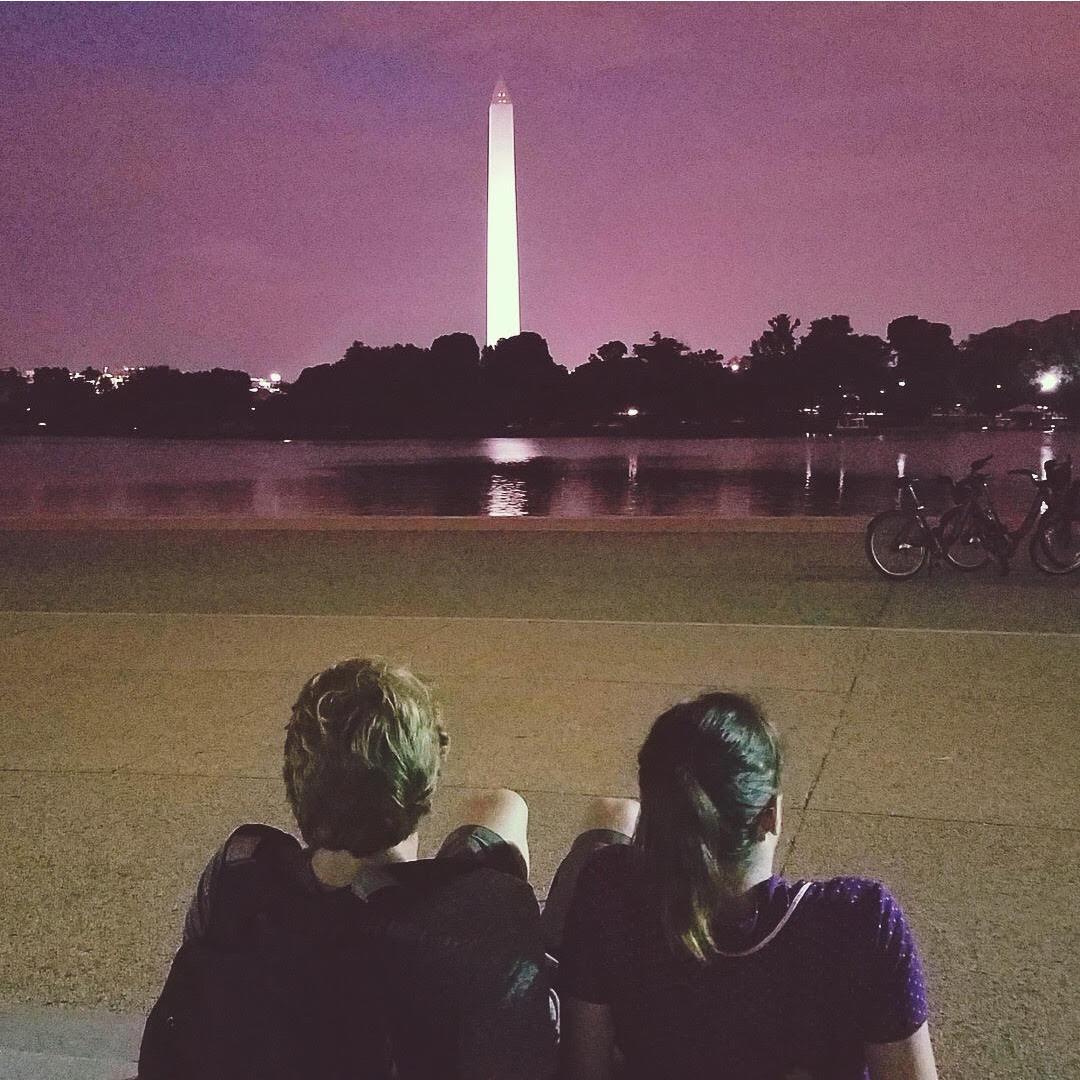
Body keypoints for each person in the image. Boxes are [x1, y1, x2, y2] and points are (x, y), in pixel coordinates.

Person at [145, 657, 556, 1080]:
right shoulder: (487, 902)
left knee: (501, 813)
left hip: (294, 1005)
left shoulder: (239, 872)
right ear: (424, 783)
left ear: (297, 777)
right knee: (506, 808)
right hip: (410, 959)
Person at [555, 692, 939, 1080]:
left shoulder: (608, 889)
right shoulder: (861, 922)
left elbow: (585, 1066)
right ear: (769, 815)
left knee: (610, 818)